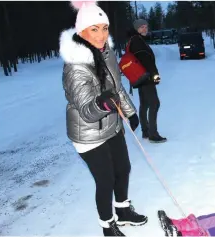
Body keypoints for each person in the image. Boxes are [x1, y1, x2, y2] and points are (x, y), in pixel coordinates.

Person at [60, 1, 147, 236]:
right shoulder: (75, 67)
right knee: (106, 180)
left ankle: (124, 211)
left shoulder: (106, 53)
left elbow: (117, 89)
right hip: (88, 133)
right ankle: (107, 226)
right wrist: (102, 103)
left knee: (123, 169)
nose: (101, 35)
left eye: (104, 28)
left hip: (111, 124)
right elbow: (88, 110)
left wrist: (130, 111)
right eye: (94, 29)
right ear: (81, 32)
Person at [126, 19, 167, 143]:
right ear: (136, 28)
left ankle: (145, 131)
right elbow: (145, 61)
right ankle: (153, 134)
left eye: (146, 26)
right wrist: (155, 75)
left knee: (145, 104)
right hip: (146, 77)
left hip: (141, 78)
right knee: (155, 103)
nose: (145, 29)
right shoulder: (137, 41)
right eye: (142, 27)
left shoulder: (134, 40)